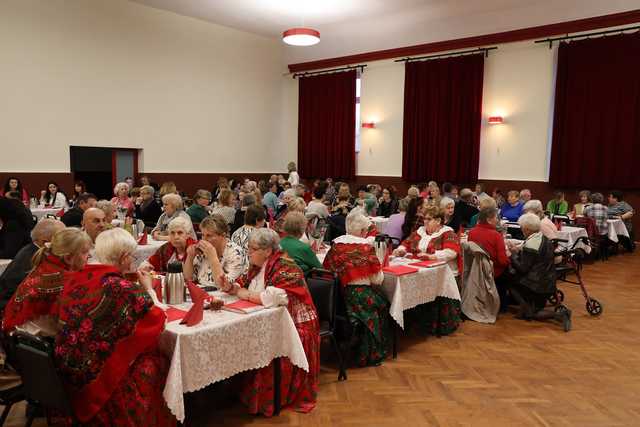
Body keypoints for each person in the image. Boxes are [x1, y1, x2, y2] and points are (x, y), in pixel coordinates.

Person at [55, 228, 176, 426]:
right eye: (132, 256)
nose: (133, 261)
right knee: (159, 359)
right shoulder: (118, 287)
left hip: (67, 370)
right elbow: (158, 319)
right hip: (94, 379)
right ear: (123, 256)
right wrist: (148, 289)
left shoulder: (77, 276)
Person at [219, 228, 318, 416]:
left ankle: (265, 399)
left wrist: (242, 293)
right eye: (248, 248)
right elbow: (246, 282)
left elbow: (272, 297)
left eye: (253, 249)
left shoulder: (287, 266)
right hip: (270, 317)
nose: (249, 252)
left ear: (268, 250)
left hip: (296, 323)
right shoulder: (259, 264)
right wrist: (232, 286)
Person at [322, 209, 388, 366]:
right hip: (357, 298)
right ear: (363, 231)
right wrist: (379, 261)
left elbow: (326, 270)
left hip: (336, 299)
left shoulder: (336, 246)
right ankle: (370, 351)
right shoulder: (365, 248)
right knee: (383, 303)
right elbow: (377, 280)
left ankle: (344, 340)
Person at [2, 228, 92, 335]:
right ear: (68, 258)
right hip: (37, 342)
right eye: (85, 252)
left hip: (17, 333)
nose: (89, 256)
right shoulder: (65, 280)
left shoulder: (45, 266)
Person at [500, 213, 571, 331]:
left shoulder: (532, 243)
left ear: (527, 229)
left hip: (536, 285)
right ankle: (526, 308)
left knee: (507, 279)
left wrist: (512, 255)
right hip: (548, 281)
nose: (521, 229)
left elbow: (523, 268)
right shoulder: (543, 238)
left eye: (522, 227)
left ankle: (536, 311)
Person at [0, 219, 65, 313]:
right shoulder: (35, 259)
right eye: (62, 238)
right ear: (45, 242)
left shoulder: (31, 250)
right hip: (10, 308)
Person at [394, 206, 462, 277]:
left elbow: (451, 253)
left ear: (438, 221)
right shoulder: (420, 231)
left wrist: (431, 257)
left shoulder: (448, 233)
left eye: (429, 219)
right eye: (424, 219)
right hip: (420, 268)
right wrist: (400, 250)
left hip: (443, 273)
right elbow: (406, 243)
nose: (425, 221)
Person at [183, 214, 247, 286]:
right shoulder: (202, 251)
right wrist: (190, 257)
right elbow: (188, 279)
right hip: (203, 293)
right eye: (203, 235)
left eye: (209, 235)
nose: (204, 239)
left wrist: (212, 257)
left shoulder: (236, 253)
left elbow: (224, 285)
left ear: (223, 235)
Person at [468, 207, 511, 310]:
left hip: (477, 270)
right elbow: (502, 261)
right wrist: (510, 258)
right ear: (488, 219)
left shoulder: (472, 232)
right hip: (494, 271)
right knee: (510, 271)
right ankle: (502, 305)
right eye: (496, 217)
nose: (498, 220)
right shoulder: (496, 235)